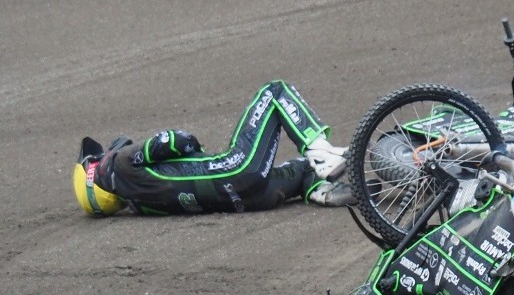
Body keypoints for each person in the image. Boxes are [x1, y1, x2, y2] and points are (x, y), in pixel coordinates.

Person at [72, 80, 355, 216]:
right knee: (275, 93)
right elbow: (175, 140)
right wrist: (192, 148)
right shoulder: (119, 164)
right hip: (234, 171)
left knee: (293, 170)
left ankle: (317, 188)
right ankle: (320, 153)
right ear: (93, 168)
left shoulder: (141, 205)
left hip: (249, 201)